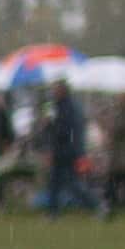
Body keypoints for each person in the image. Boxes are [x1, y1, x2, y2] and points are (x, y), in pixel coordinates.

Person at [38, 82, 88, 216]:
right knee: (54, 182)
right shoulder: (57, 106)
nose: (54, 92)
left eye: (56, 89)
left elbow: (64, 130)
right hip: (61, 150)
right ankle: (53, 211)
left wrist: (50, 124)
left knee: (71, 184)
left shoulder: (67, 108)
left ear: (63, 91)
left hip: (66, 151)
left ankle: (96, 205)